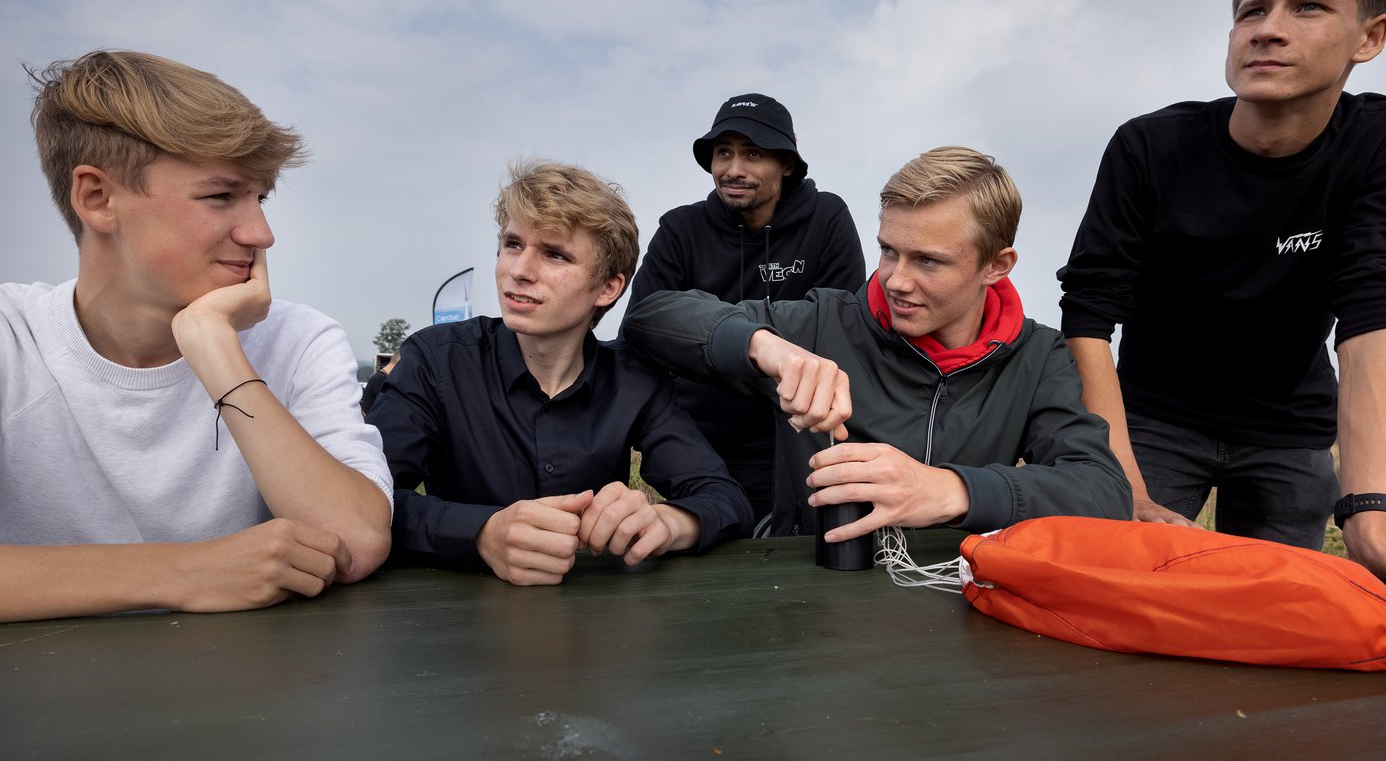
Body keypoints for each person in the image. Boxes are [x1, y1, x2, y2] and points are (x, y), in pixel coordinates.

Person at [1057, 0, 1386, 585]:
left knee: (1274, 612)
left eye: (1309, 6)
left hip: (1291, 430)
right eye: (1251, 11)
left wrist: (1375, 516)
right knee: (1120, 587)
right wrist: (1122, 485)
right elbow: (1089, 315)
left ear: (1370, 37)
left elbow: (1383, 298)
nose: (1267, 27)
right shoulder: (1149, 147)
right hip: (1152, 419)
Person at [0, 50, 394, 623]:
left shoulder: (298, 338)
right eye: (221, 196)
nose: (261, 232)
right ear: (97, 198)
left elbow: (355, 543)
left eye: (261, 198)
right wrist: (182, 572)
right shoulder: (12, 338)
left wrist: (215, 349)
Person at [624, 146, 1131, 540]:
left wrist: (952, 490)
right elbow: (651, 316)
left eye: (927, 260)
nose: (896, 280)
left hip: (958, 589)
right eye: (889, 251)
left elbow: (1104, 490)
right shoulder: (823, 323)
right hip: (808, 584)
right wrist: (762, 345)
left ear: (996, 266)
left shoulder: (1038, 356)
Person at [367, 161, 751, 585]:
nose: (520, 270)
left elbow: (725, 498)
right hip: (452, 623)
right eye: (513, 244)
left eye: (555, 254)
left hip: (596, 627)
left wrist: (670, 522)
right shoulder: (435, 361)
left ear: (608, 288)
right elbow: (365, 502)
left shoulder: (635, 381)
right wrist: (479, 534)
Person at [624, 93, 866, 523]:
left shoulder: (827, 218)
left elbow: (843, 329)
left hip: (792, 437)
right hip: (697, 442)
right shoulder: (680, 229)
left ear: (786, 164)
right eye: (724, 153)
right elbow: (641, 330)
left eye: (753, 153)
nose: (733, 169)